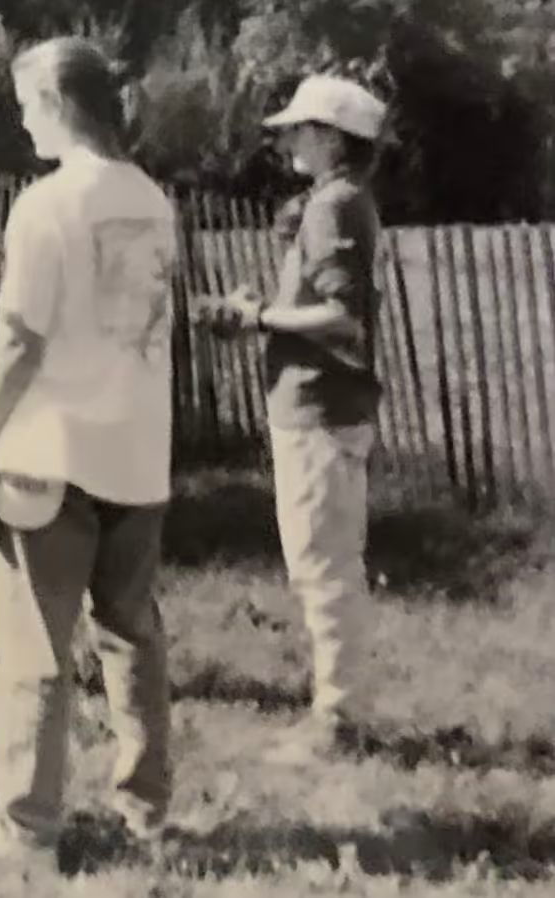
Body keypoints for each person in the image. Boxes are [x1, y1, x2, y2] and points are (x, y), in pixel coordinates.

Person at [0, 38, 179, 874]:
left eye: (26, 107)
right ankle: (146, 811)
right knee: (132, 635)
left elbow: (19, 340)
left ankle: (27, 831)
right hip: (138, 449)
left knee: (34, 644)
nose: (23, 123)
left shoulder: (45, 203)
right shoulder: (153, 199)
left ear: (59, 104)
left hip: (52, 452)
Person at [194, 72, 388, 765]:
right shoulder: (339, 200)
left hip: (319, 408)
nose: (286, 143)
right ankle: (338, 711)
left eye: (298, 131)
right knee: (325, 563)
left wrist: (259, 319)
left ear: (332, 138)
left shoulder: (334, 206)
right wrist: (262, 310)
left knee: (323, 568)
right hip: (319, 406)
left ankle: (338, 723)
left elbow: (342, 319)